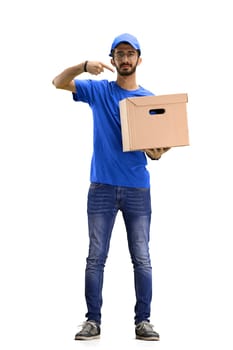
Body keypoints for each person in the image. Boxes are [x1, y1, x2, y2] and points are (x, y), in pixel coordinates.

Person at [52, 33, 169, 341]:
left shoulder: (149, 100)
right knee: (95, 257)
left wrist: (158, 151)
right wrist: (83, 66)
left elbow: (158, 147)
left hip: (137, 189)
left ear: (139, 60)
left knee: (141, 257)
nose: (125, 59)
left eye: (131, 54)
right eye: (120, 54)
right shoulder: (99, 91)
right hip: (101, 187)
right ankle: (93, 321)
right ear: (113, 59)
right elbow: (58, 82)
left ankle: (143, 321)